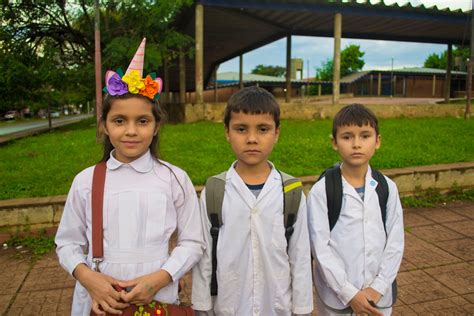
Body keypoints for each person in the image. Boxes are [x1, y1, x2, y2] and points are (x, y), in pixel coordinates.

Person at [55, 38, 205, 315]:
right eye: (120, 120)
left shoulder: (174, 179)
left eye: (143, 121)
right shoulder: (86, 181)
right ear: (104, 126)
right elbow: (66, 243)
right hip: (99, 299)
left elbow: (193, 242)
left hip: (158, 295)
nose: (131, 131)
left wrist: (160, 278)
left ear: (157, 125)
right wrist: (90, 279)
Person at [192, 86, 313, 316]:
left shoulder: (292, 192)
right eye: (241, 129)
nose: (251, 139)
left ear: (277, 133)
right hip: (228, 307)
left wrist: (302, 309)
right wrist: (202, 306)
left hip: (277, 307)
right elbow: (204, 255)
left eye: (263, 129)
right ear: (227, 131)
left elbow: (300, 257)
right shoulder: (214, 191)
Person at [307, 103, 404, 316]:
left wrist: (378, 288)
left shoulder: (387, 188)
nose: (356, 144)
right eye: (347, 136)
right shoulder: (322, 191)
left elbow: (395, 243)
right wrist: (349, 293)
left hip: (378, 297)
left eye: (365, 136)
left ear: (377, 141)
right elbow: (319, 248)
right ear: (334, 142)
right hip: (336, 299)